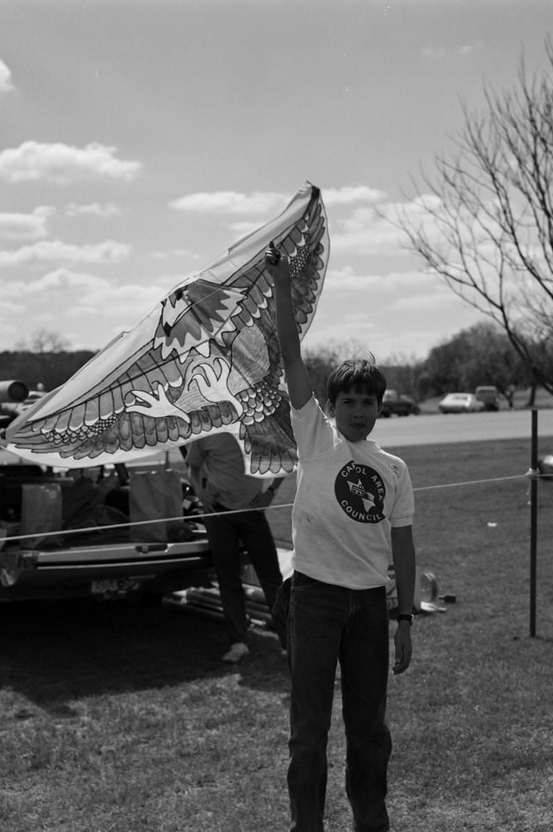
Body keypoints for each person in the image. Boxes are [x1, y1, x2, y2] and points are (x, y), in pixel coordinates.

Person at [270, 242, 417, 832]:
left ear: (381, 407)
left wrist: (404, 616)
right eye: (349, 401)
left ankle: (370, 819)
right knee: (308, 733)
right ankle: (306, 824)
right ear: (331, 406)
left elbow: (402, 548)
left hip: (368, 609)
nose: (359, 410)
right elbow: (290, 356)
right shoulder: (316, 438)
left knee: (369, 729)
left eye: (369, 401)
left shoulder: (395, 469)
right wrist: (282, 288)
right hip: (314, 599)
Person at [185, 432, 286, 663]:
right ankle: (237, 642)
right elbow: (193, 467)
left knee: (271, 579)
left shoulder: (255, 423)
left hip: (252, 512)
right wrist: (201, 494)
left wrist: (270, 493)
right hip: (218, 514)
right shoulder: (205, 429)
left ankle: (289, 642)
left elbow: (286, 459)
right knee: (227, 578)